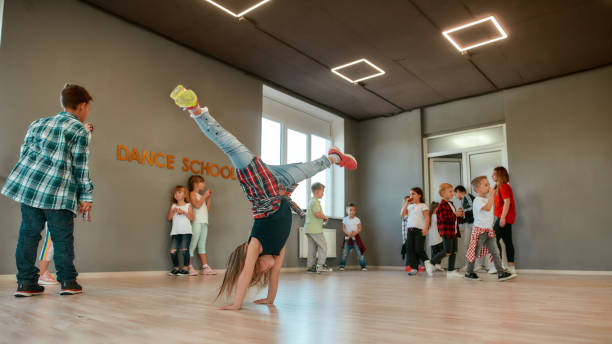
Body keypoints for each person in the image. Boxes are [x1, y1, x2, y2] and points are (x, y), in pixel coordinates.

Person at [170, 85, 356, 310]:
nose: (267, 270)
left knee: (231, 147)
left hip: (260, 187)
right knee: (306, 169)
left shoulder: (255, 245)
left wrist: (236, 305)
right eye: (266, 272)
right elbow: (275, 279)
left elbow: (245, 274)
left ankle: (196, 109)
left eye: (260, 269)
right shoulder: (278, 253)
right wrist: (270, 299)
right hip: (279, 188)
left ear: (255, 262)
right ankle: (334, 158)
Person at [2, 84, 94, 297]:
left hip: (30, 190)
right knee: (62, 238)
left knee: (28, 235)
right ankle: (68, 282)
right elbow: (81, 167)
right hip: (59, 192)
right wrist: (86, 196)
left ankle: (25, 284)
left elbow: (24, 153)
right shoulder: (78, 129)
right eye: (88, 107)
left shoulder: (37, 124)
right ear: (82, 106)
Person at [464, 176, 517, 282]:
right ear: (477, 189)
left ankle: (501, 273)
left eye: (488, 184)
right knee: (475, 252)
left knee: (495, 251)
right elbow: (488, 207)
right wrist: (492, 195)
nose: (489, 186)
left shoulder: (486, 199)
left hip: (489, 231)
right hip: (480, 231)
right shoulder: (477, 200)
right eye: (486, 185)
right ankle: (469, 272)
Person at [429, 183, 464, 278]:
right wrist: (455, 215)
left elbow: (454, 219)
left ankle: (451, 271)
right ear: (442, 193)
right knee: (447, 251)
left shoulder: (451, 204)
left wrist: (460, 215)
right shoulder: (441, 206)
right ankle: (431, 262)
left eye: (452, 191)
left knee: (454, 251)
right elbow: (444, 219)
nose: (452, 193)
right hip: (447, 232)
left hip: (453, 231)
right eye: (450, 191)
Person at [400, 187, 433, 276]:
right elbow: (402, 214)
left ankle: (427, 262)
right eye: (410, 194)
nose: (411, 196)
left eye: (413, 194)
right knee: (410, 249)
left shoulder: (423, 205)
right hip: (410, 230)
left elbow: (427, 218)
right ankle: (414, 268)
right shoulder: (410, 206)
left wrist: (426, 228)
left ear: (419, 195)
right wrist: (407, 203)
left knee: (419, 249)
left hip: (419, 230)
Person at [490, 166, 517, 274]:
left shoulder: (504, 187)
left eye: (494, 174)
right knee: (507, 241)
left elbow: (507, 202)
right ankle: (511, 267)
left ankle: (499, 266)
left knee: (493, 240)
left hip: (504, 217)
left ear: (500, 175)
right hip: (504, 217)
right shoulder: (499, 187)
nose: (492, 176)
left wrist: (502, 218)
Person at [187, 175, 215, 276]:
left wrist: (208, 198)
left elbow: (206, 209)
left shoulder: (201, 196)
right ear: (195, 184)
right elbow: (197, 205)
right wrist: (205, 196)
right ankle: (189, 267)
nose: (204, 184)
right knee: (192, 244)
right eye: (202, 182)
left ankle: (205, 267)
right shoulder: (192, 194)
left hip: (204, 222)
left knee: (202, 245)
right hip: (196, 222)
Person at [305, 183, 332, 273]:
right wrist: (325, 217)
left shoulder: (311, 201)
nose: (323, 194)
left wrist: (322, 218)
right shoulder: (315, 202)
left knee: (312, 248)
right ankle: (320, 265)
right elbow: (317, 214)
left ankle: (310, 266)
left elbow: (314, 215)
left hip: (309, 228)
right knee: (323, 246)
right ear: (317, 192)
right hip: (315, 229)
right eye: (322, 192)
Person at [168, 185, 194, 276]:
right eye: (175, 193)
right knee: (173, 251)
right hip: (175, 232)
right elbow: (169, 218)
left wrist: (183, 212)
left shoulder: (188, 205)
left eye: (179, 192)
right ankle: (175, 268)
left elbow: (192, 218)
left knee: (184, 250)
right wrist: (173, 211)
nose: (177, 194)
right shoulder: (173, 206)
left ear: (185, 195)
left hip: (186, 232)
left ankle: (185, 268)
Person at [339, 203, 366, 271]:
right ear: (347, 211)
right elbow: (344, 228)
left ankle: (363, 266)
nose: (352, 212)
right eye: (350, 210)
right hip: (348, 238)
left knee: (359, 253)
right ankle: (342, 266)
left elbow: (360, 228)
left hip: (355, 239)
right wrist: (347, 233)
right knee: (345, 253)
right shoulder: (345, 219)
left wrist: (355, 232)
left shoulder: (357, 219)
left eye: (354, 210)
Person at [427, 202, 445, 272]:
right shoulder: (435, 216)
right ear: (435, 208)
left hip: (435, 237)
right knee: (438, 251)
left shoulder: (430, 216)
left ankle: (435, 265)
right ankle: (435, 265)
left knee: (436, 252)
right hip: (437, 237)